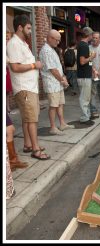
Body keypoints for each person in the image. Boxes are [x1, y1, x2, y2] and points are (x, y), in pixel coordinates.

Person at [7, 14, 50, 160]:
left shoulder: (23, 43)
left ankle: (28, 144)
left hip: (29, 87)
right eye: (28, 28)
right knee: (32, 119)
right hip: (24, 88)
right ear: (20, 27)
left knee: (27, 118)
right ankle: (35, 149)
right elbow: (15, 67)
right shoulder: (14, 44)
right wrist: (34, 65)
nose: (31, 31)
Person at [39, 29, 74, 135]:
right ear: (50, 38)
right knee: (53, 106)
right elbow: (53, 70)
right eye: (57, 40)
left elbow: (58, 67)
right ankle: (53, 127)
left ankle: (62, 124)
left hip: (57, 82)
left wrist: (63, 77)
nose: (58, 42)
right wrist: (62, 80)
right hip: (52, 83)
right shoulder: (46, 50)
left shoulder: (52, 49)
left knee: (60, 104)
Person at [77, 26, 96, 124]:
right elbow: (82, 61)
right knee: (85, 98)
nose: (93, 36)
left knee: (86, 97)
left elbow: (85, 61)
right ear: (88, 35)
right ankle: (85, 117)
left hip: (84, 75)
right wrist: (91, 57)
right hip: (84, 76)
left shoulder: (83, 45)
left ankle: (86, 115)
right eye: (92, 34)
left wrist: (93, 69)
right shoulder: (84, 46)